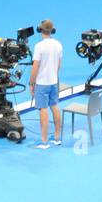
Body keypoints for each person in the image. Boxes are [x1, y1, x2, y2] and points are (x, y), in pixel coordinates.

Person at [28, 19, 63, 149]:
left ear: (40, 30)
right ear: (52, 30)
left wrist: (31, 83)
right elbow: (59, 65)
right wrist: (53, 75)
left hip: (42, 84)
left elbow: (35, 67)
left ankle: (44, 142)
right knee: (54, 106)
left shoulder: (39, 46)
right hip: (54, 81)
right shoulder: (59, 45)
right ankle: (57, 137)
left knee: (43, 110)